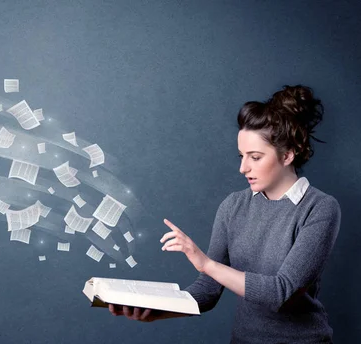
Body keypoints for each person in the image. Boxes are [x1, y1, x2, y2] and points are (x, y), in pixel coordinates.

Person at [108, 85, 341, 343]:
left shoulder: (319, 208)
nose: (243, 168)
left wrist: (207, 264)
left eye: (255, 157)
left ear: (287, 155)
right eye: (241, 156)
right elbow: (208, 290)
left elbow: (281, 293)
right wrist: (157, 311)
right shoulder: (233, 206)